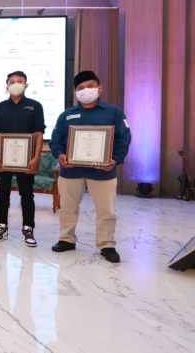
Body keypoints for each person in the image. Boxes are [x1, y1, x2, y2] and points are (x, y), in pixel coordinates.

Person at [49, 70, 131, 263]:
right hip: (71, 171)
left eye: (90, 86)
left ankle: (106, 244)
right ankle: (66, 239)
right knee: (67, 207)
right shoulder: (66, 115)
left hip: (103, 171)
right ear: (75, 92)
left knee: (106, 210)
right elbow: (55, 140)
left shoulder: (114, 112)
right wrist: (60, 155)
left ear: (99, 88)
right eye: (81, 88)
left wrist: (115, 160)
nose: (86, 90)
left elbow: (124, 138)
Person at [0, 71, 45, 247]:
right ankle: (1, 227)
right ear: (7, 85)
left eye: (20, 81)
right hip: (2, 159)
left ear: (26, 84)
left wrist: (36, 157)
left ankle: (28, 229)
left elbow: (39, 133)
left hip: (26, 160)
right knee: (2, 193)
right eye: (12, 81)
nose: (16, 84)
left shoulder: (35, 106)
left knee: (27, 194)